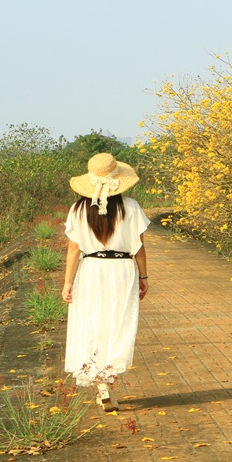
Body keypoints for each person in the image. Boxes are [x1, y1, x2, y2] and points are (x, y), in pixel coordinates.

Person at [61, 152, 150, 412]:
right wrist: (143, 276)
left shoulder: (77, 209)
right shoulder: (131, 206)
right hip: (122, 269)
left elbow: (74, 249)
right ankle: (108, 378)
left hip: (90, 269)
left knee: (91, 321)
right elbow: (139, 247)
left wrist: (68, 282)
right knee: (118, 323)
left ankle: (100, 382)